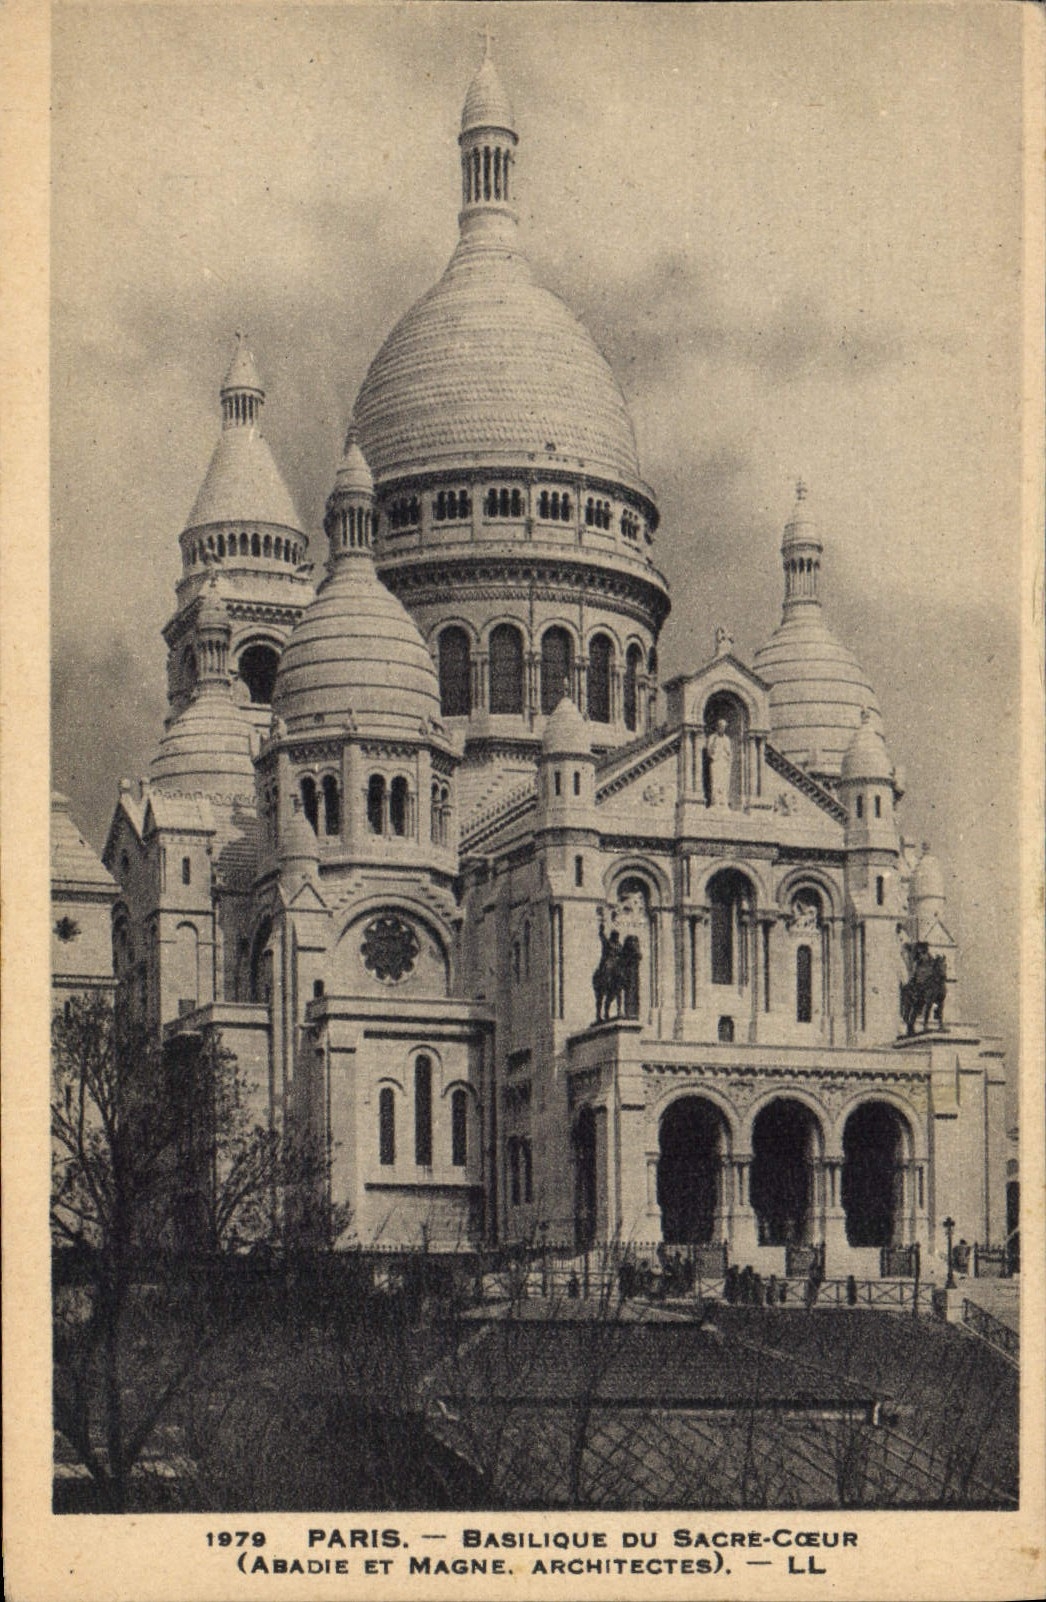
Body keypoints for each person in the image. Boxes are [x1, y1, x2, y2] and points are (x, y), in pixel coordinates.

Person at [707, 718, 732, 808]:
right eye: (721, 726)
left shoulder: (727, 739)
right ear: (717, 727)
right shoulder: (712, 738)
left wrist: (727, 757)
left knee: (724, 783)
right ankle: (715, 802)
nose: (722, 728)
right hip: (716, 762)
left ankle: (723, 802)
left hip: (724, 763)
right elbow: (709, 751)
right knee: (715, 782)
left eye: (724, 727)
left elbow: (729, 752)